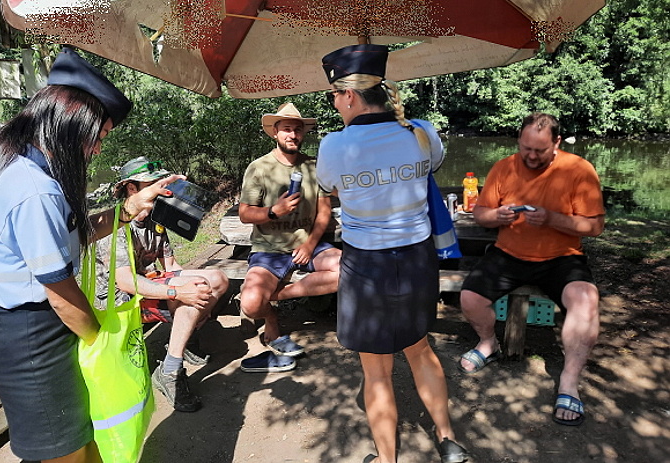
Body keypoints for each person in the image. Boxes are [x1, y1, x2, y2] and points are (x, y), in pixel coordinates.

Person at [0, 47, 177, 463]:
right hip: (37, 338)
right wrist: (103, 346)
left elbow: (67, 236)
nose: (97, 150)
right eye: (96, 138)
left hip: (28, 330)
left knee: (74, 447)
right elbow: (61, 294)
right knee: (72, 454)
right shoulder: (35, 190)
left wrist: (128, 210)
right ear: (69, 125)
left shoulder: (18, 162)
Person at [316, 44, 468, 463]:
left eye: (334, 95)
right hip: (418, 260)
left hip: (368, 266)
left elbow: (331, 188)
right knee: (420, 350)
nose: (334, 103)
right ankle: (448, 440)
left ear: (349, 94)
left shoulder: (334, 146)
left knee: (377, 370)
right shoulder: (421, 132)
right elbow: (431, 167)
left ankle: (388, 461)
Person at [458, 112, 605, 427]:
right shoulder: (505, 167)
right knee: (470, 297)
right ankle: (488, 343)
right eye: (526, 148)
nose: (531, 156)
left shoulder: (579, 170)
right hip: (509, 252)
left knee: (586, 300)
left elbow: (594, 227)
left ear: (557, 142)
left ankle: (568, 380)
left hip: (562, 257)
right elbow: (480, 214)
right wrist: (496, 216)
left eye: (539, 150)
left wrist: (552, 219)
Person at [95, 156, 229, 412]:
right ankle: (170, 371)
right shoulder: (114, 226)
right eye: (153, 183)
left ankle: (185, 339)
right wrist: (178, 290)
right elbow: (125, 282)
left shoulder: (156, 218)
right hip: (119, 303)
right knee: (187, 294)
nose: (161, 188)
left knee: (216, 280)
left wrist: (204, 296)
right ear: (132, 188)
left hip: (147, 286)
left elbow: (171, 267)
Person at [238, 102, 341, 372]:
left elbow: (324, 212)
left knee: (349, 270)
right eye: (286, 129)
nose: (292, 135)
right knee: (250, 305)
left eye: (297, 129)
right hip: (269, 249)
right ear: (275, 132)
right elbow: (245, 214)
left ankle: (278, 295)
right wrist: (274, 211)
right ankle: (271, 321)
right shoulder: (259, 168)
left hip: (309, 246)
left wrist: (309, 244)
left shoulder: (315, 167)